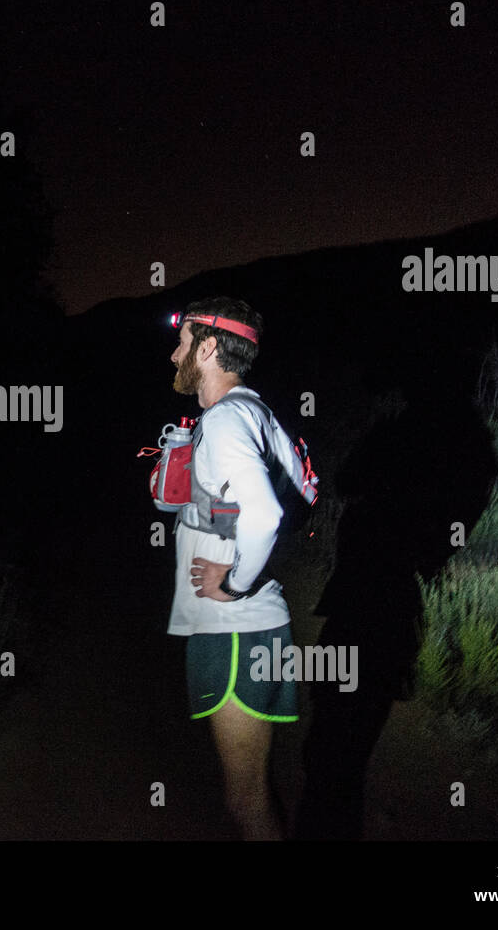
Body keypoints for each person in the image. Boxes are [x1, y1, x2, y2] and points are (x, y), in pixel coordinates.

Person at [166, 295, 296, 840]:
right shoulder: (256, 412)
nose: (175, 357)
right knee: (246, 792)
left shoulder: (224, 420)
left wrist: (233, 583)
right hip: (254, 629)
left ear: (210, 348)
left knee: (245, 800)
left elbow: (266, 513)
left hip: (235, 630)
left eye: (183, 343)